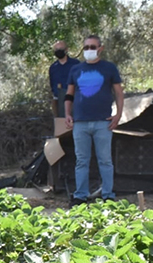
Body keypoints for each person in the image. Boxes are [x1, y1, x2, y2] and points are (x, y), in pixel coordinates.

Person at [64, 35, 124, 205]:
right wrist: (67, 114)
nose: (89, 50)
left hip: (103, 121)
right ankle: (80, 195)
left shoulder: (109, 68)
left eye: (92, 47)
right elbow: (69, 94)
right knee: (81, 160)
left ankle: (108, 195)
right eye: (86, 47)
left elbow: (119, 93)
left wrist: (118, 114)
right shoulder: (75, 70)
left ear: (100, 48)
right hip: (80, 122)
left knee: (105, 160)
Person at [48, 40, 79, 117]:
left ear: (66, 49)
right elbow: (52, 85)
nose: (58, 51)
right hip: (59, 101)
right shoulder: (53, 67)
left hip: (75, 100)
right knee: (61, 126)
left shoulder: (76, 64)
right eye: (56, 49)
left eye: (61, 49)